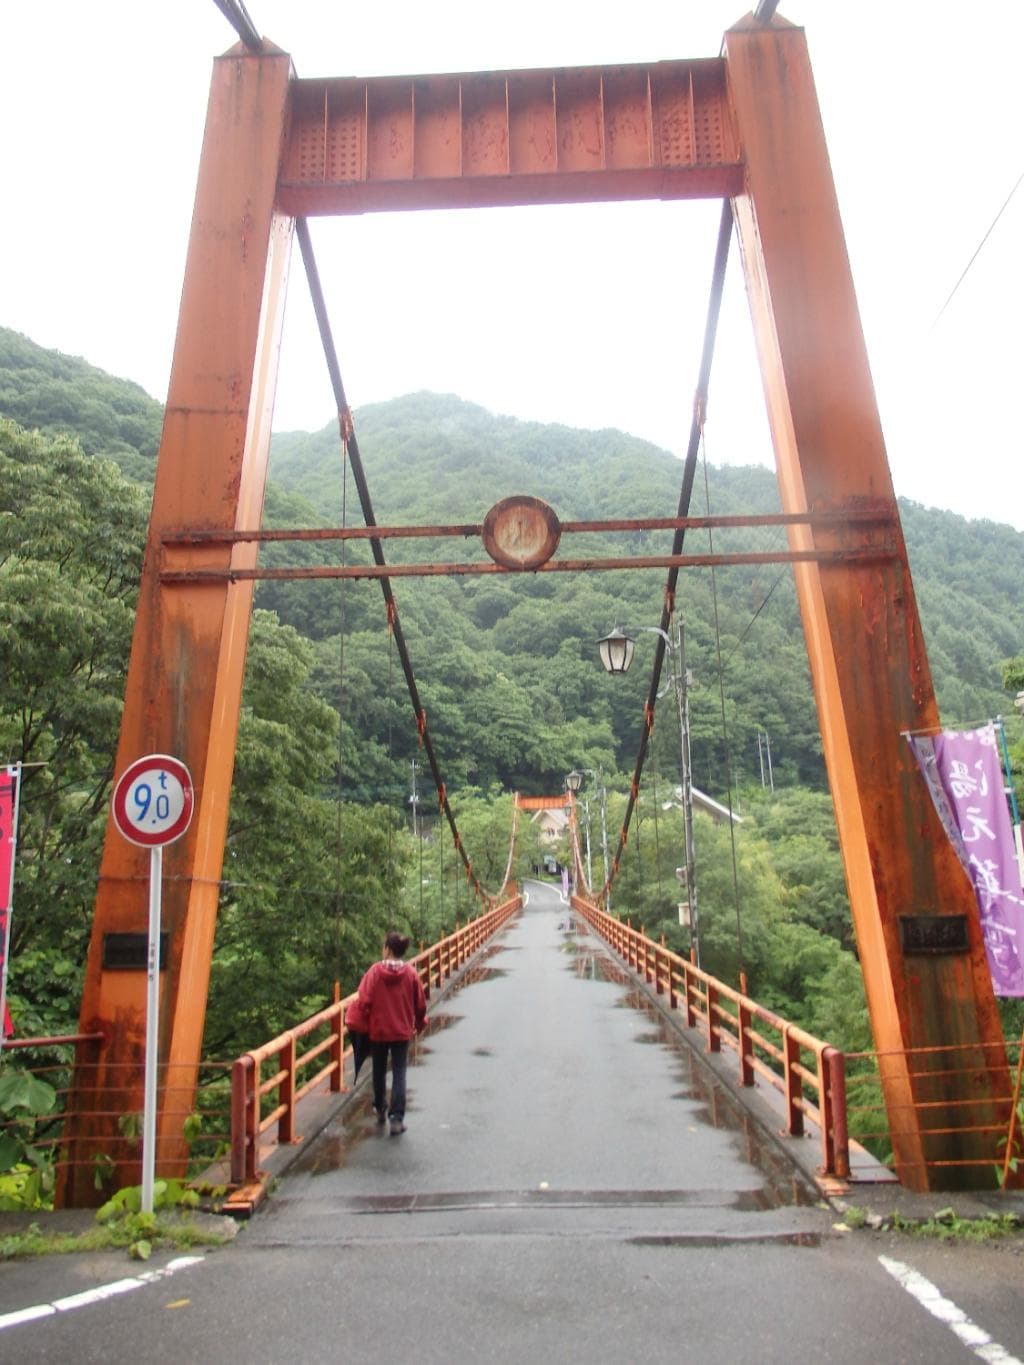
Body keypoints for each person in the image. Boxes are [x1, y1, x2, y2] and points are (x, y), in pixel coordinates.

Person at [357, 931, 427, 1136]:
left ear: (387, 949)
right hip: (401, 1030)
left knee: (378, 1070)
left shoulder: (374, 972)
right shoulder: (411, 973)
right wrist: (420, 1023)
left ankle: (380, 1108)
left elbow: (363, 999)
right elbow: (420, 1003)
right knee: (399, 1072)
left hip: (378, 1030)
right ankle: (396, 1118)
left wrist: (361, 1022)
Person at [344, 992, 371, 1082]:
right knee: (362, 1052)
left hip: (352, 1020)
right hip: (361, 1022)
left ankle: (356, 1077)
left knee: (359, 1051)